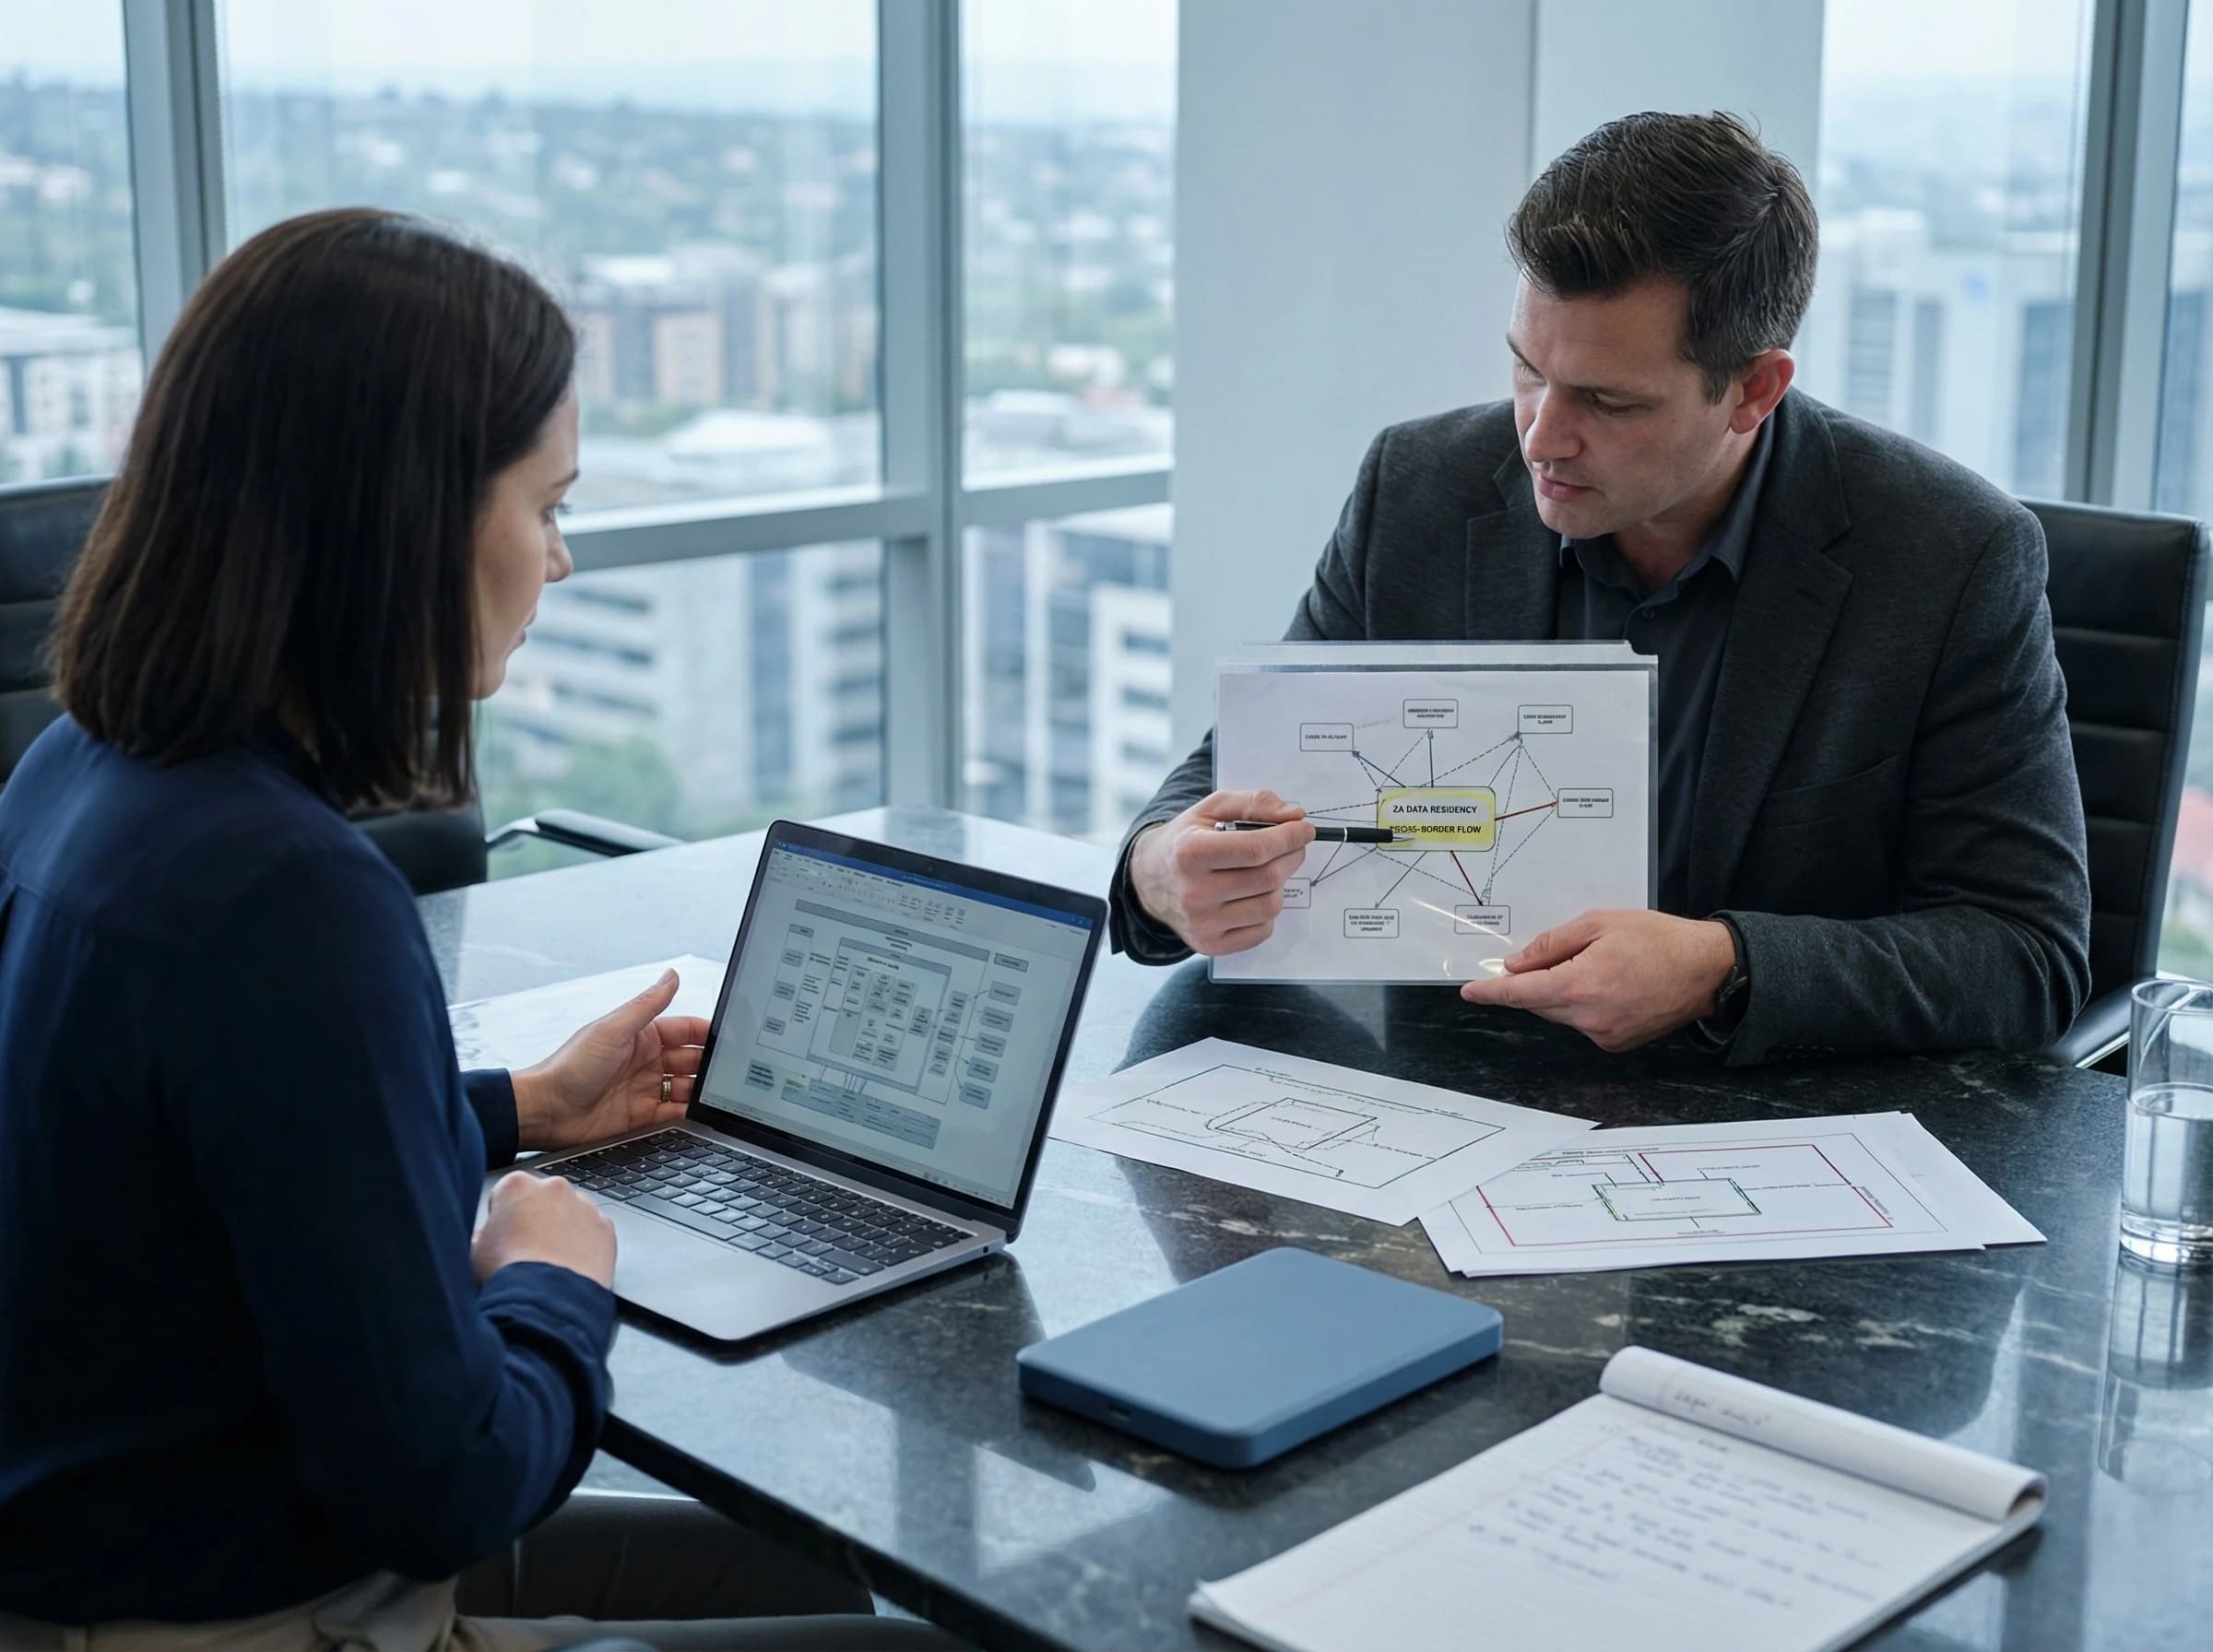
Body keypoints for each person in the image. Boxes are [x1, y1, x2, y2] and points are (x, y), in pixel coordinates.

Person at [0, 210, 956, 1651]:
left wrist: (521, 1107)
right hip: (239, 1610)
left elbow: (200, 1147)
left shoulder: (84, 765)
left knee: (810, 1584)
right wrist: (559, 1289)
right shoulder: (292, 897)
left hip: (96, 1544)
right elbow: (444, 1489)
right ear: (404, 522)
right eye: (549, 505)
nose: (559, 563)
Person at [1113, 112, 2090, 1065]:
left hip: (1767, 1127)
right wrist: (1163, 869)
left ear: (1755, 389)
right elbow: (1234, 776)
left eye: (1608, 402)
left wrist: (1726, 964)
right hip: (1447, 1087)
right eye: (1528, 370)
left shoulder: (1950, 556)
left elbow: (2025, 954)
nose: (1540, 437)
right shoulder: (1417, 487)